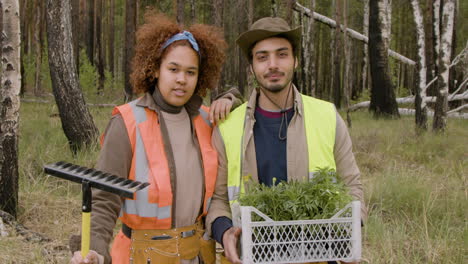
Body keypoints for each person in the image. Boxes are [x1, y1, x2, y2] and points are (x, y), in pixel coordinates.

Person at [70, 13, 241, 264]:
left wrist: (231, 98)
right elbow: (105, 199)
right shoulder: (127, 122)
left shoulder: (208, 121)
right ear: (155, 68)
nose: (181, 79)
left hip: (197, 255)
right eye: (173, 69)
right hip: (139, 256)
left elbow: (248, 116)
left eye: (190, 72)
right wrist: (95, 249)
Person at [205, 17, 368, 264]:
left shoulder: (326, 116)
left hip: (318, 256)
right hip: (250, 256)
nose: (272, 65)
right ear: (251, 68)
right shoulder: (227, 126)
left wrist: (350, 232)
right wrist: (224, 231)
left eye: (282, 55)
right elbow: (217, 199)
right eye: (262, 57)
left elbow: (352, 186)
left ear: (295, 61)